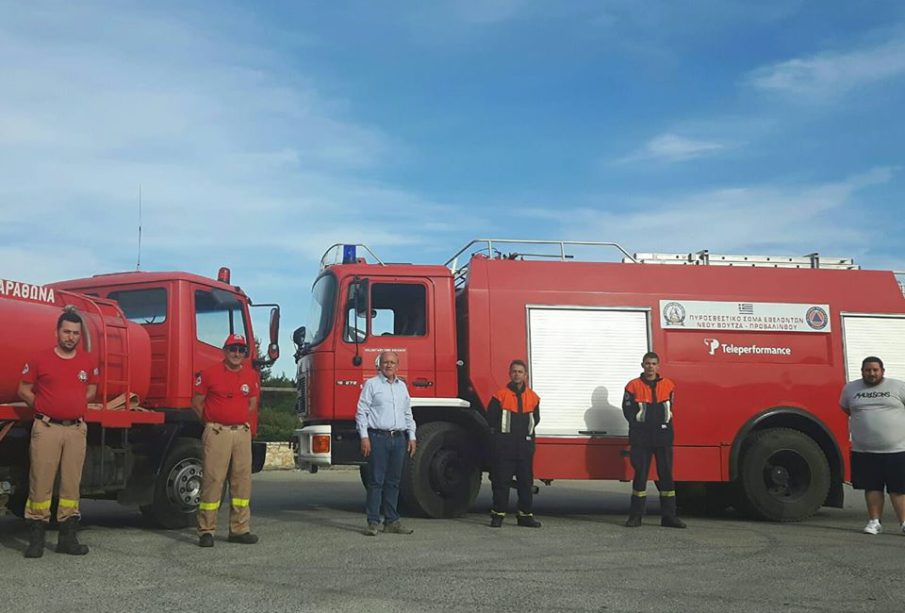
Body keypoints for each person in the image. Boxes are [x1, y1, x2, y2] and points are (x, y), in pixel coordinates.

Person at [18, 307, 98, 558]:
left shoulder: (87, 361)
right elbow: (23, 389)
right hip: (47, 428)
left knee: (71, 485)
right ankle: (36, 540)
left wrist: (75, 405)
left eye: (75, 333)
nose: (71, 337)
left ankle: (67, 539)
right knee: (40, 482)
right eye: (67, 332)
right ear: (57, 332)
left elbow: (91, 389)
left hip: (75, 429)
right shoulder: (40, 359)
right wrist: (42, 406)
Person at [192, 333, 261, 547]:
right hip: (217, 432)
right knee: (213, 480)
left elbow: (252, 403)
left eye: (241, 350)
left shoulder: (251, 375)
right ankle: (206, 530)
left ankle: (239, 529)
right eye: (233, 349)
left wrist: (237, 419)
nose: (237, 354)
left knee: (242, 482)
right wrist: (211, 422)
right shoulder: (209, 373)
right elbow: (197, 402)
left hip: (241, 433)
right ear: (225, 351)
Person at [839, 356, 905, 535]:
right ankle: (874, 522)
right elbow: (846, 409)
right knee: (872, 487)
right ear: (862, 372)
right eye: (868, 370)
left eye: (875, 370)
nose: (872, 373)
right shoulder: (851, 389)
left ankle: (903, 523)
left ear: (882, 371)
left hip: (897, 450)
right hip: (865, 450)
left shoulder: (898, 387)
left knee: (899, 489)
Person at [355, 351, 417, 536]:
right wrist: (364, 437)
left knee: (394, 482)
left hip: (398, 439)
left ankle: (392, 521)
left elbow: (407, 413)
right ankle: (373, 522)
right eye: (385, 362)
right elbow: (361, 411)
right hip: (378, 438)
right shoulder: (372, 385)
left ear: (397, 366)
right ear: (379, 365)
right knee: (376, 481)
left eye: (392, 362)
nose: (389, 365)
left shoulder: (402, 387)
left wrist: (412, 436)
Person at [622, 351, 686, 528]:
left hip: (663, 437)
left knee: (666, 476)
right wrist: (639, 426)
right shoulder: (632, 386)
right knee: (640, 476)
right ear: (642, 365)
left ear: (658, 366)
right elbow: (628, 410)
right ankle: (635, 517)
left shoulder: (669, 385)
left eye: (653, 364)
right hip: (641, 438)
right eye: (647, 363)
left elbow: (670, 409)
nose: (650, 367)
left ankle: (669, 517)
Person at [486, 359, 542, 528]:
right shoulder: (499, 396)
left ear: (525, 375)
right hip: (504, 447)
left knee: (525, 484)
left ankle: (525, 516)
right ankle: (498, 516)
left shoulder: (533, 397)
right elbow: (491, 419)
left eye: (520, 372)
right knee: (501, 483)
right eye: (514, 371)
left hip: (524, 448)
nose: (517, 374)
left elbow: (536, 419)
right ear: (509, 374)